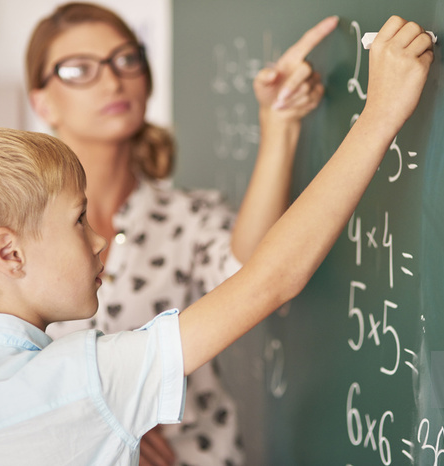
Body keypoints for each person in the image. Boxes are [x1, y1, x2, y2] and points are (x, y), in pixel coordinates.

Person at [0, 15, 434, 466]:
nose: (103, 240)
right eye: (79, 221)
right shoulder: (89, 380)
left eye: (126, 60)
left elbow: (247, 269)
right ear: (8, 253)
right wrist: (380, 114)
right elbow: (268, 280)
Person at [25, 3, 337, 464]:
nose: (113, 82)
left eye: (126, 59)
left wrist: (279, 124)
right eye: (79, 70)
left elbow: (254, 276)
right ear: (41, 102)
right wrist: (99, 425)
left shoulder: (189, 216)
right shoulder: (17, 233)